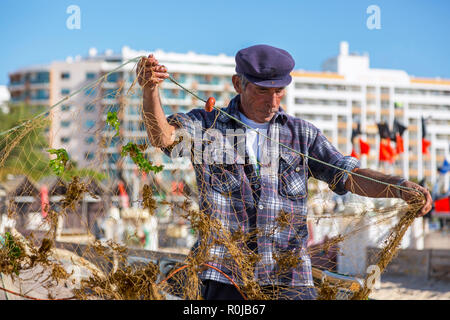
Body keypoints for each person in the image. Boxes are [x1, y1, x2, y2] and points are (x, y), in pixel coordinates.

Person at [137, 44, 432, 300]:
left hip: (289, 276)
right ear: (238, 84)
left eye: (279, 91)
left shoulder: (301, 134)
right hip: (223, 274)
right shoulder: (208, 126)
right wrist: (150, 90)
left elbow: (347, 174)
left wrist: (400, 186)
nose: (273, 101)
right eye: (263, 91)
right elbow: (163, 137)